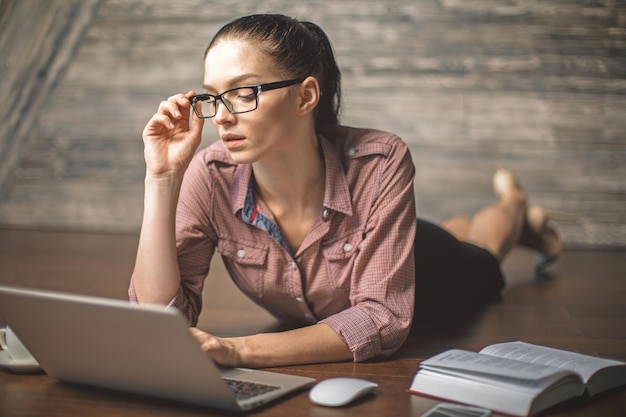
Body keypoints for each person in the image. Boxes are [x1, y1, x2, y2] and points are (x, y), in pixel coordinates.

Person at [129, 14, 565, 368]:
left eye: (243, 93)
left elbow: (381, 318)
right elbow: (160, 324)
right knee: (447, 232)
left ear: (305, 97)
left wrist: (239, 350)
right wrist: (162, 177)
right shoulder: (209, 175)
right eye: (213, 97)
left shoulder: (380, 160)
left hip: (430, 271)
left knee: (480, 250)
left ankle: (515, 205)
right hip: (390, 243)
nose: (221, 117)